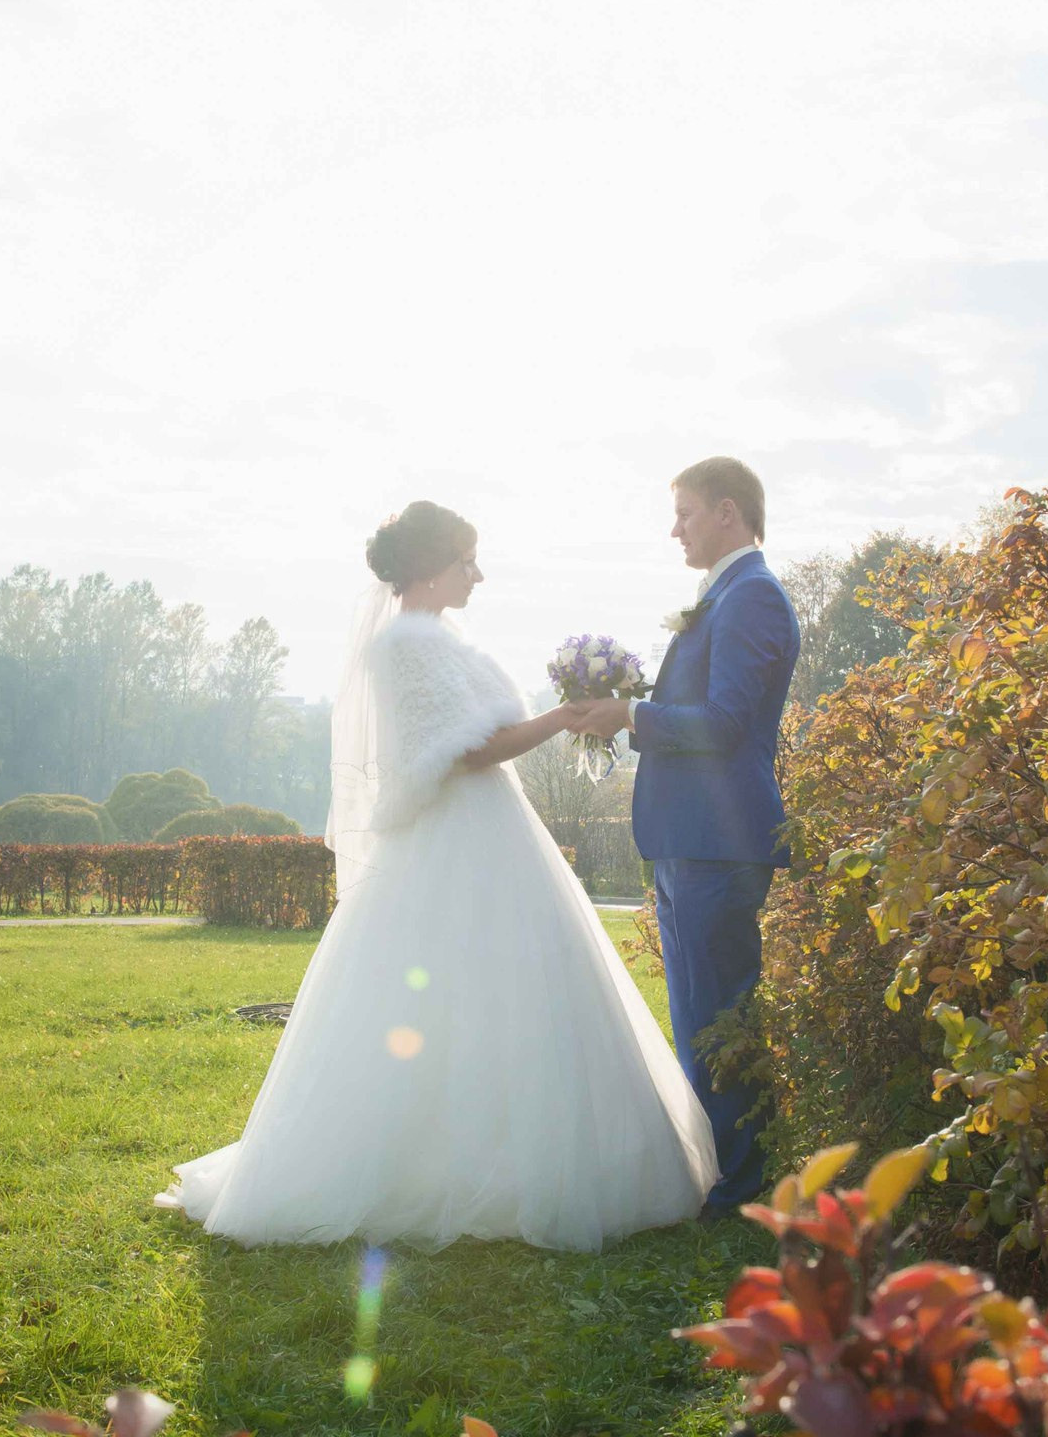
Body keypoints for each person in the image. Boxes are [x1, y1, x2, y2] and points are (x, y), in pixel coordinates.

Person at [155, 501, 715, 1250]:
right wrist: (559, 719)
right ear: (428, 567)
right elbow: (462, 749)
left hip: (492, 829)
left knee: (512, 990)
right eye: (466, 562)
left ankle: (506, 1158)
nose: (477, 575)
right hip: (452, 837)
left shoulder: (442, 639)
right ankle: (438, 1169)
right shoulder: (405, 644)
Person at [564, 458, 798, 1210]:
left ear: (727, 512)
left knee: (718, 1014)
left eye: (685, 514)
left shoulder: (753, 596)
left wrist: (630, 715)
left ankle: (739, 1182)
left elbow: (725, 724)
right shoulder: (727, 594)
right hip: (689, 838)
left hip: (717, 841)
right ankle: (721, 1169)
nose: (676, 529)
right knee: (700, 1013)